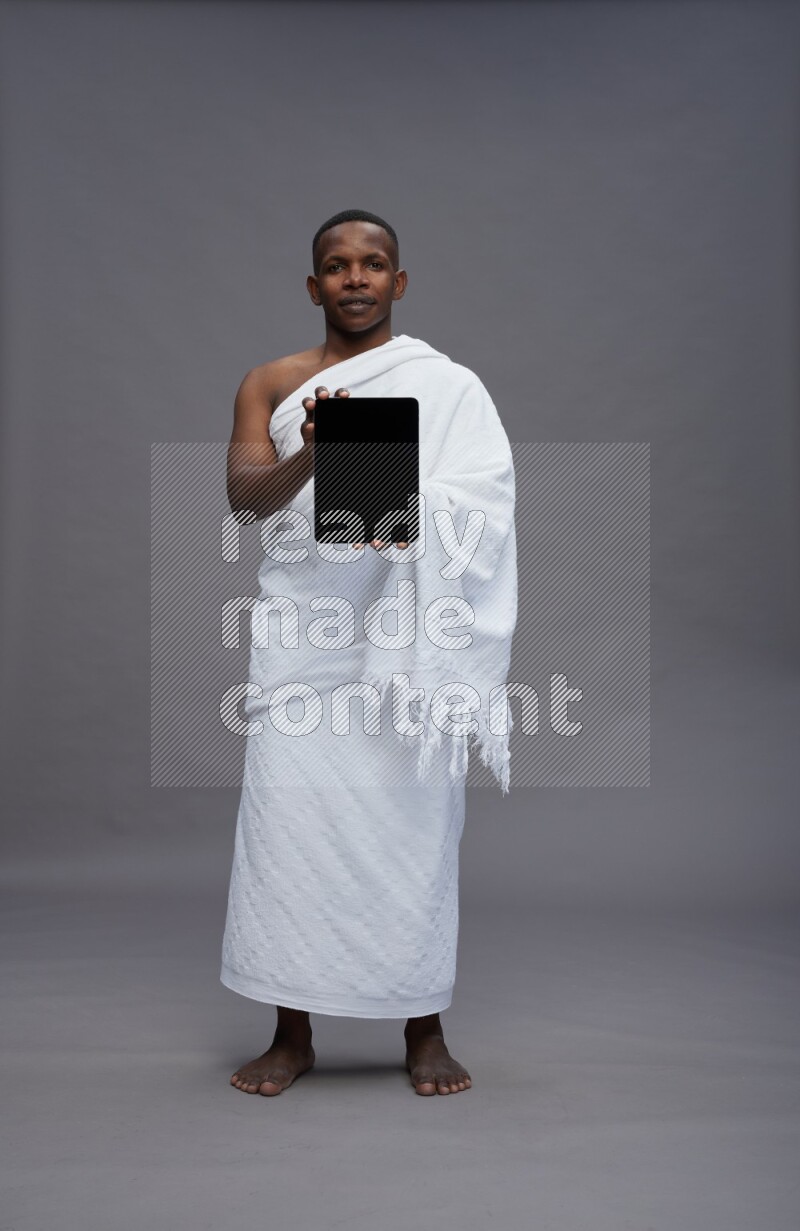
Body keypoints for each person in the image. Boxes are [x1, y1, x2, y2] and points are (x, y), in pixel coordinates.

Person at [221, 209, 517, 1096]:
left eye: (374, 263)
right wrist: (315, 452)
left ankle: (421, 1025)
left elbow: (470, 503)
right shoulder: (270, 381)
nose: (356, 278)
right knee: (290, 825)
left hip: (401, 645)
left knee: (412, 820)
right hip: (304, 636)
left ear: (399, 282)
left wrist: (376, 471)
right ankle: (291, 1029)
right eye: (337, 266)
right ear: (314, 286)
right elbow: (244, 502)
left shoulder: (445, 384)